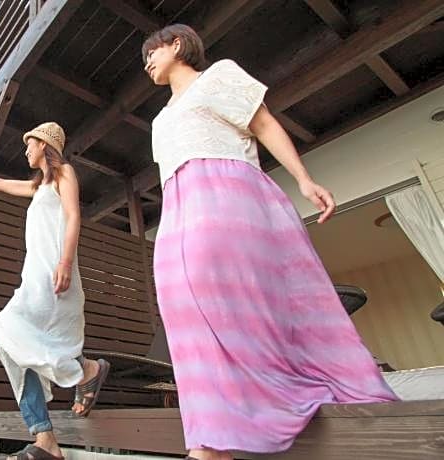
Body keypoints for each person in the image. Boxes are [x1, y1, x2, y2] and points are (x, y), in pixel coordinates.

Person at [141, 24, 398, 460]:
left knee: (236, 306)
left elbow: (263, 124)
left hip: (226, 196)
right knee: (186, 315)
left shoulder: (217, 75)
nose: (146, 62)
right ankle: (210, 435)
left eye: (151, 51)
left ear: (177, 44)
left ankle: (234, 428)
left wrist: (304, 179)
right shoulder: (160, 119)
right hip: (177, 211)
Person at [0, 122, 110, 460]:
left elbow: (74, 217)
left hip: (55, 275)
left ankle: (85, 371)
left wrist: (65, 261)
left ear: (45, 145)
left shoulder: (65, 174)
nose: (25, 151)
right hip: (32, 280)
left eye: (29, 145)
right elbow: (0, 184)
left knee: (9, 332)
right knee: (16, 346)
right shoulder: (37, 186)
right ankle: (46, 436)